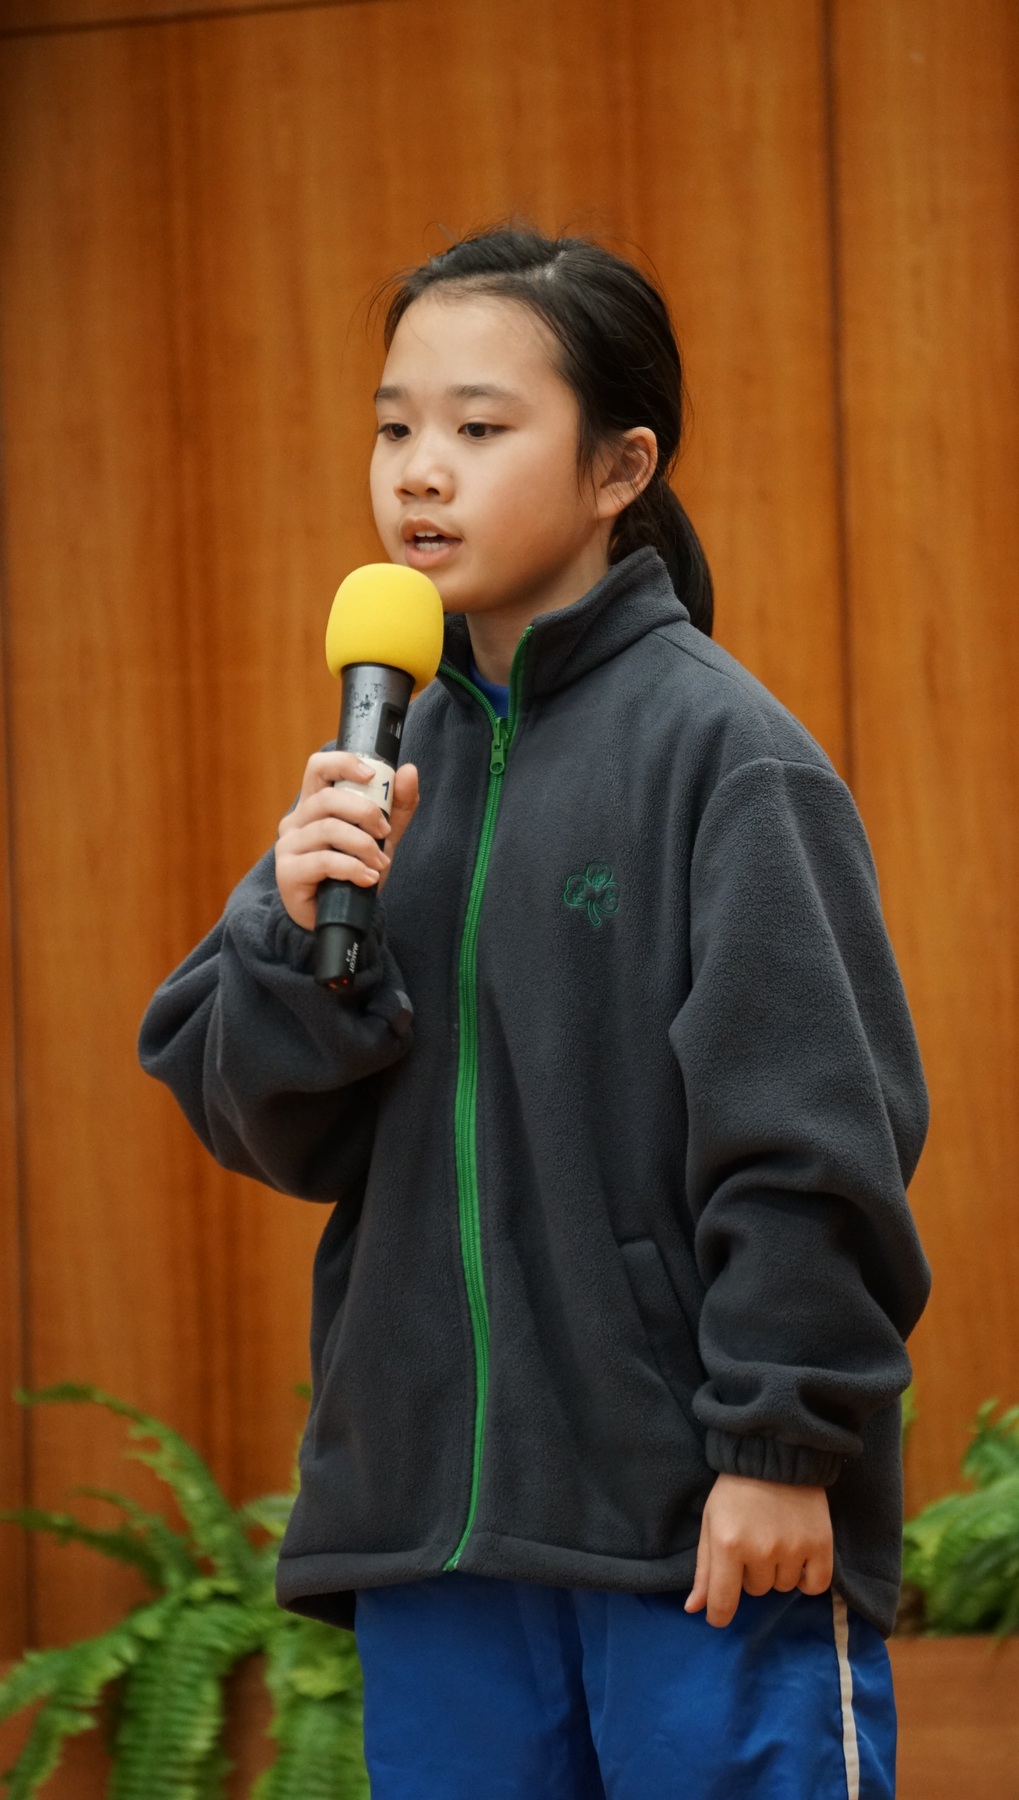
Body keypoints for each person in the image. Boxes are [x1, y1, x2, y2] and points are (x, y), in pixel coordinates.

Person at [139, 224, 931, 1799]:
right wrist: (294, 929)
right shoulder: (381, 770)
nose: (419, 472)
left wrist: (781, 1447)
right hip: (438, 1543)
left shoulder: (725, 758)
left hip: (698, 1536)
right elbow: (254, 1114)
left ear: (620, 468)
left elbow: (812, 1144)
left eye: (479, 426)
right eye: (395, 427)